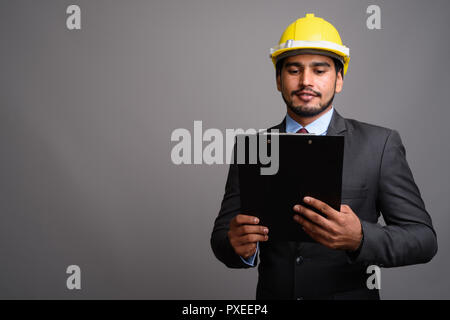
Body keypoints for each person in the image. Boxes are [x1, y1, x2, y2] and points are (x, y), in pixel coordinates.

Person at [210, 13, 437, 300]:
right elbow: (222, 237)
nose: (306, 81)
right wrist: (237, 247)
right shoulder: (253, 148)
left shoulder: (380, 145)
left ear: (339, 79)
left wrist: (360, 238)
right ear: (278, 80)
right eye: (294, 70)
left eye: (320, 70)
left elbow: (424, 240)